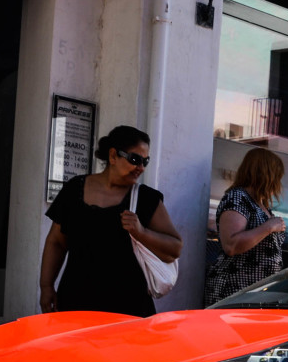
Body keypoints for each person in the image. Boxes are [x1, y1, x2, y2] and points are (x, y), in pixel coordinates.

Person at [39, 125, 182, 318]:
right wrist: (46, 286)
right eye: (135, 159)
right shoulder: (74, 189)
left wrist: (141, 232)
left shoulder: (146, 199)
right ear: (113, 156)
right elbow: (56, 241)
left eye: (145, 161)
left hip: (128, 309)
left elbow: (174, 249)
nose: (140, 167)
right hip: (76, 303)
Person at [205, 147, 288, 305]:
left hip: (257, 293)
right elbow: (231, 245)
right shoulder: (238, 197)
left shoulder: (260, 204)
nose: (278, 183)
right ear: (265, 175)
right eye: (276, 176)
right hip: (236, 290)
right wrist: (269, 227)